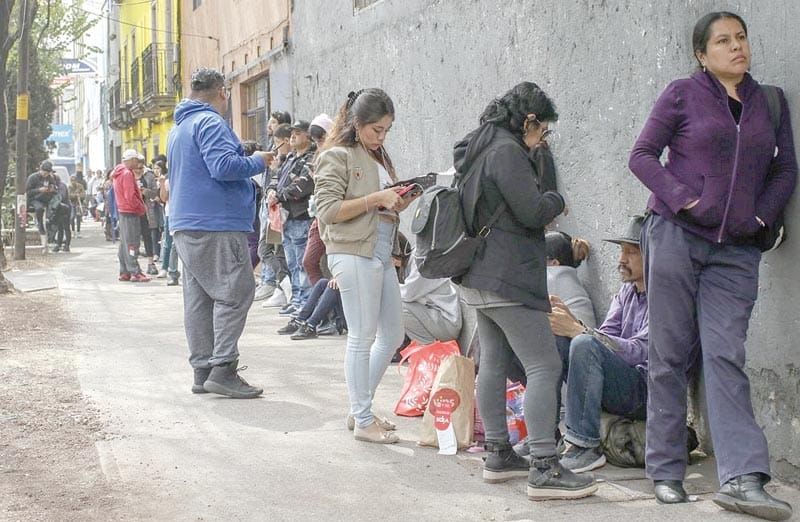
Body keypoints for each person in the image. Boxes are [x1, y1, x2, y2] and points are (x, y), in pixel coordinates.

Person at [629, 12, 796, 519]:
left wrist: (761, 214)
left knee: (725, 355)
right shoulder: (682, 93)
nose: (736, 47)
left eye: (741, 37)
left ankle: (743, 477)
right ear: (702, 54)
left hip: (736, 251)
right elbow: (641, 156)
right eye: (722, 41)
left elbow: (786, 166)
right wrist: (684, 200)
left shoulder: (770, 101)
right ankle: (665, 470)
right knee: (670, 354)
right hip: (677, 236)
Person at [454, 82, 595, 500]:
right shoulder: (507, 152)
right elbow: (532, 211)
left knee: (493, 361)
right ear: (529, 121)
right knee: (544, 366)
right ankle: (545, 467)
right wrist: (555, 199)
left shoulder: (477, 147)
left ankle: (498, 453)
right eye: (543, 132)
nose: (543, 140)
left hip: (478, 275)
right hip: (509, 276)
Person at [314, 88, 418, 444]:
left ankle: (361, 409)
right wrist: (376, 199)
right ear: (356, 124)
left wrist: (398, 202)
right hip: (353, 251)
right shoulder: (337, 156)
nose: (382, 136)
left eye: (387, 130)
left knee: (391, 334)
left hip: (380, 250)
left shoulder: (377, 157)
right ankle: (362, 418)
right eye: (376, 129)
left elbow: (378, 207)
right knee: (361, 337)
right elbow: (327, 210)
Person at [167, 67, 273, 399]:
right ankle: (223, 368)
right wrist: (257, 160)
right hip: (216, 222)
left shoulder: (180, 128)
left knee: (199, 299)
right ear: (222, 92)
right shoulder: (211, 122)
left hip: (186, 223)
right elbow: (223, 167)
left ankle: (203, 370)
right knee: (237, 291)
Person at [546, 216, 648, 475]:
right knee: (562, 338)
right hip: (620, 382)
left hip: (647, 392)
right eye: (621, 251)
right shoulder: (627, 291)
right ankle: (548, 436)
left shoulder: (665, 296)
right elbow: (604, 335)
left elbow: (640, 351)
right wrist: (572, 325)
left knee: (582, 341)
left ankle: (585, 447)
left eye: (631, 252)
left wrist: (580, 330)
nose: (621, 259)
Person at [267, 119, 317, 316]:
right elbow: (276, 178)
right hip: (287, 217)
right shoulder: (291, 158)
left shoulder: (310, 158)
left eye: (298, 132)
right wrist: (272, 190)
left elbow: (301, 187)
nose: (293, 136)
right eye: (292, 133)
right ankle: (296, 299)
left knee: (302, 262)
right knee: (292, 262)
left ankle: (305, 301)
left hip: (301, 216)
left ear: (308, 136)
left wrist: (279, 195)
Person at [256, 123, 292, 304]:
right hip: (274, 212)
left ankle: (285, 285)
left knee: (277, 251)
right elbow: (272, 183)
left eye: (278, 142)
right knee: (268, 249)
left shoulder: (291, 160)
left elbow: (288, 185)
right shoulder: (283, 159)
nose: (275, 147)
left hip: (287, 213)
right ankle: (283, 284)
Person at [400, 255, 462, 346]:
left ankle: (429, 348)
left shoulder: (423, 260)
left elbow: (407, 294)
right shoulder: (413, 259)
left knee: (396, 307)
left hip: (447, 324)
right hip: (436, 317)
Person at [112, 149, 149, 282]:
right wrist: (140, 208)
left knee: (124, 242)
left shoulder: (118, 173)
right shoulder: (127, 174)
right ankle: (135, 271)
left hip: (123, 210)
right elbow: (130, 196)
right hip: (130, 211)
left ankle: (125, 271)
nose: (137, 163)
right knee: (132, 242)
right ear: (131, 160)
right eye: (135, 160)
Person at [25, 160, 60, 253]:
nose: (46, 175)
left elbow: (55, 188)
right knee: (39, 208)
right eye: (45, 172)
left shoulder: (50, 178)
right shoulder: (32, 177)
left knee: (58, 206)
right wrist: (39, 190)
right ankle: (39, 224)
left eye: (48, 173)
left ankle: (51, 231)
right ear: (41, 170)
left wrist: (52, 189)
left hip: (47, 199)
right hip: (35, 199)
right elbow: (28, 192)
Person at [156, 161, 180, 286]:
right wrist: (161, 184)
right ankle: (170, 270)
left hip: (184, 215)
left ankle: (173, 271)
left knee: (176, 245)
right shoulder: (168, 180)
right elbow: (164, 198)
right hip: (171, 214)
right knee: (170, 243)